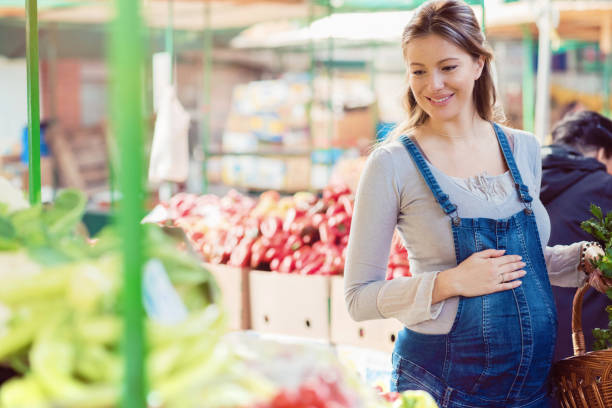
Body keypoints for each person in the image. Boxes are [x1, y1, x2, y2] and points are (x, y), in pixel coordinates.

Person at [344, 1, 604, 407]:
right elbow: (358, 298)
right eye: (418, 71)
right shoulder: (392, 163)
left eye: (448, 67)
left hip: (534, 388)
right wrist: (450, 282)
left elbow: (526, 262)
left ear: (478, 64)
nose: (433, 85)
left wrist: (586, 260)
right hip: (442, 386)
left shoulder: (524, 149)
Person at [541, 111, 612, 365]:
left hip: (526, 348)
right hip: (584, 359)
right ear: (603, 153)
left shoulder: (524, 183)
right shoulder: (604, 187)